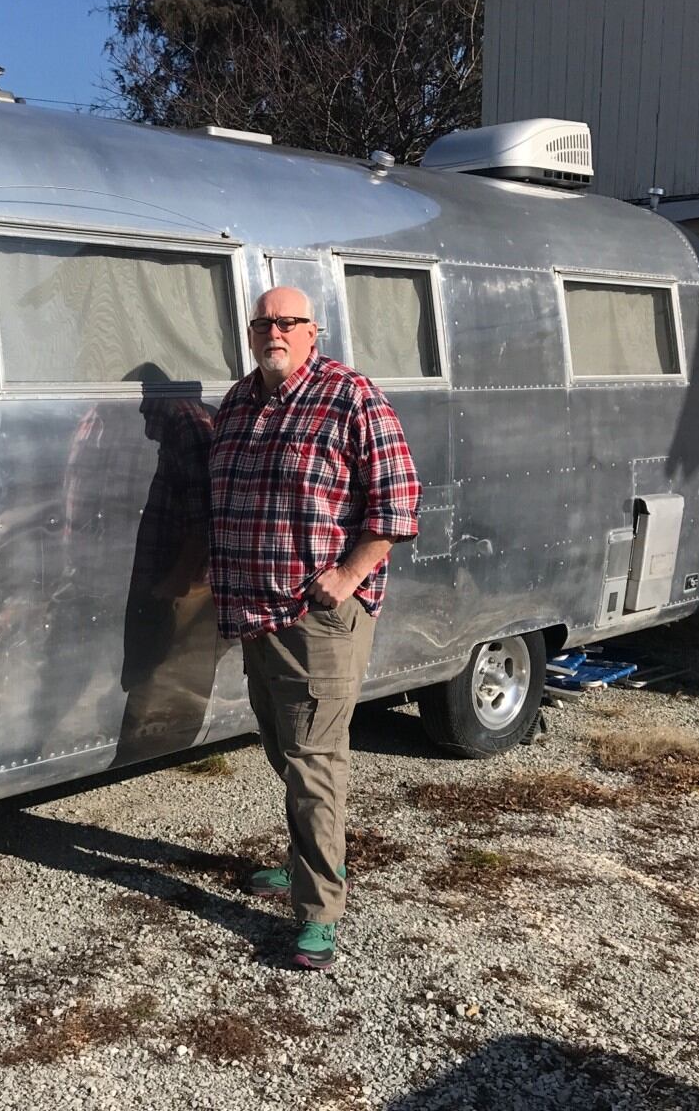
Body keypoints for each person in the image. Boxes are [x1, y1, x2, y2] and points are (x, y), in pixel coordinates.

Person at [208, 286, 420, 970]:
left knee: (314, 761)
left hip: (318, 616)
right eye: (264, 322)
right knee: (283, 749)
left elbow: (398, 502)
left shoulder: (350, 396)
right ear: (251, 333)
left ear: (312, 331)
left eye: (287, 322)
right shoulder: (238, 403)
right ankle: (310, 863)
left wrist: (349, 575)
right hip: (254, 612)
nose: (275, 331)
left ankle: (319, 911)